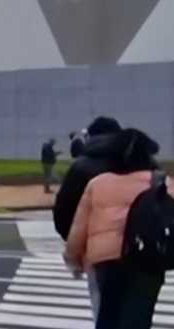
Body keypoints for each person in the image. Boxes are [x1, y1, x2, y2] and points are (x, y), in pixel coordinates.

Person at [64, 129, 164, 329]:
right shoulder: (157, 181)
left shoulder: (98, 184)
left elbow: (80, 226)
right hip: (148, 259)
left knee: (109, 313)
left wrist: (72, 257)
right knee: (138, 319)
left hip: (106, 259)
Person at [54, 116, 126, 316]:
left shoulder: (82, 167)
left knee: (103, 311)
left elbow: (64, 212)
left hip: (98, 252)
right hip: (140, 251)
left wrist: (74, 250)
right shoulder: (142, 164)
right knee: (136, 314)